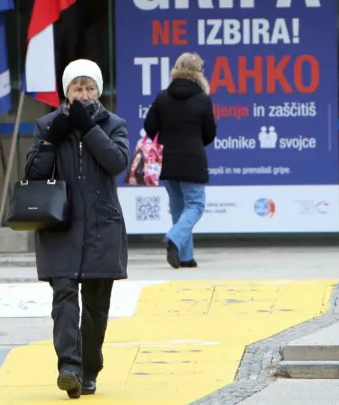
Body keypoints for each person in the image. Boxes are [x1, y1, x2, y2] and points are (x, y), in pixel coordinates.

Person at [25, 59, 130, 399]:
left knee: (97, 305)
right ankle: (68, 367)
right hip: (61, 227)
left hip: (102, 226)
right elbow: (33, 174)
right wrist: (52, 140)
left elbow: (116, 162)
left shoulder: (114, 124)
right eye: (76, 87)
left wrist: (88, 128)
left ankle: (90, 368)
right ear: (66, 91)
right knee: (65, 297)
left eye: (89, 87)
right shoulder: (46, 125)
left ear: (98, 91)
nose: (83, 94)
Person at [144, 53, 217, 269]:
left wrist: (166, 137)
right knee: (195, 205)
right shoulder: (203, 100)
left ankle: (186, 257)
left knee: (178, 209)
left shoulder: (163, 97)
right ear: (198, 72)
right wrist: (196, 141)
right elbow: (210, 133)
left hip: (169, 159)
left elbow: (149, 126)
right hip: (193, 159)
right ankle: (174, 238)